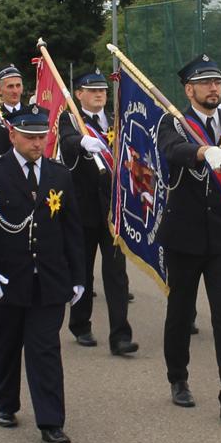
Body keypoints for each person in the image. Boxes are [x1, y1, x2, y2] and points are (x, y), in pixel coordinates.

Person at [0, 104, 85, 443]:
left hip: (48, 280)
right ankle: (5, 402)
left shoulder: (59, 174)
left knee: (45, 350)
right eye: (30, 137)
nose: (37, 143)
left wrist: (78, 276)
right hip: (6, 280)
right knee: (5, 345)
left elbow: (72, 229)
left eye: (41, 137)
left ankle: (51, 421)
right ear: (13, 135)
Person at [156, 53, 221, 423]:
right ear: (190, 90)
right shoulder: (174, 121)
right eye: (205, 83)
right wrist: (203, 151)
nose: (213, 88)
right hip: (184, 234)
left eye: (217, 82)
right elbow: (172, 150)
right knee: (180, 310)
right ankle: (178, 378)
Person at [57, 71, 137, 356]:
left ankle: (121, 336)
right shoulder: (70, 119)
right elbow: (66, 140)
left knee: (117, 273)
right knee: (83, 270)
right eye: (92, 90)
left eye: (102, 90)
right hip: (83, 208)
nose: (99, 94)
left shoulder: (115, 119)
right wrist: (82, 142)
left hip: (114, 208)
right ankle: (80, 324)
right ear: (79, 94)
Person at [0, 64, 25, 129]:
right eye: (10, 86)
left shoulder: (31, 114)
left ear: (22, 88)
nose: (15, 91)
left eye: (18, 86)